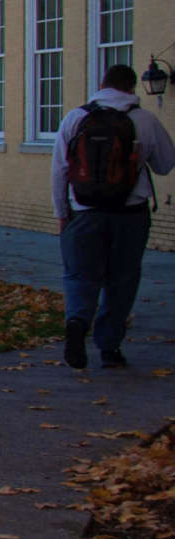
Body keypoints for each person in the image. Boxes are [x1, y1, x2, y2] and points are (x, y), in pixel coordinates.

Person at [51, 64, 175, 369]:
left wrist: (62, 213)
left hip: (84, 212)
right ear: (132, 88)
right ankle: (109, 347)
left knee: (80, 274)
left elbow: (59, 171)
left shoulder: (76, 118)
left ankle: (78, 322)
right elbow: (165, 164)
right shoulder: (144, 120)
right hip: (130, 214)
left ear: (102, 84)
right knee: (122, 278)